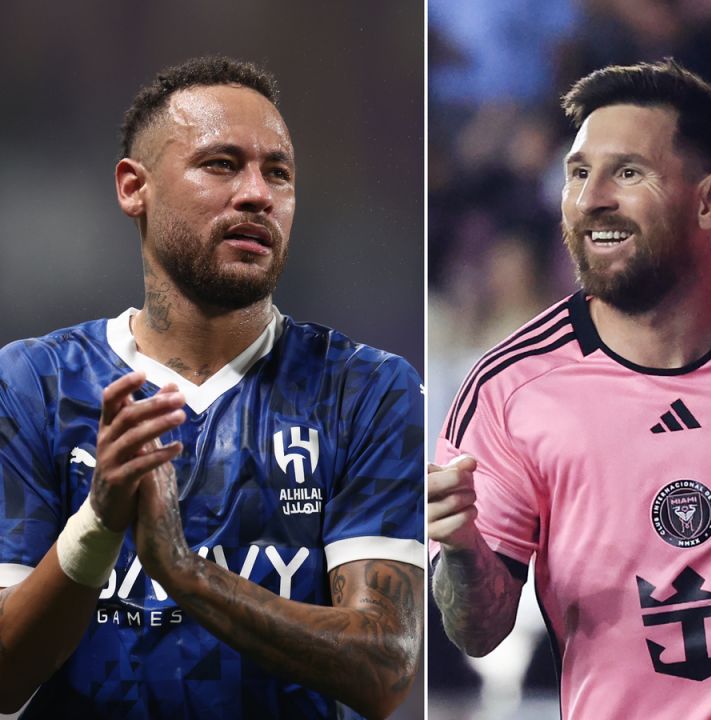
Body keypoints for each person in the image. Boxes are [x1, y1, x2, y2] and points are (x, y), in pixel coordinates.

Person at [0, 57, 424, 718]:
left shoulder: (366, 390)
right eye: (221, 164)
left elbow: (385, 669)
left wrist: (183, 570)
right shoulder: (34, 385)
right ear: (133, 188)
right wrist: (98, 522)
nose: (258, 194)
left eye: (278, 172)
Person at [428, 58, 711, 718]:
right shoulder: (509, 390)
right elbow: (478, 631)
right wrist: (459, 550)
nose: (592, 196)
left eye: (628, 172)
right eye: (577, 173)